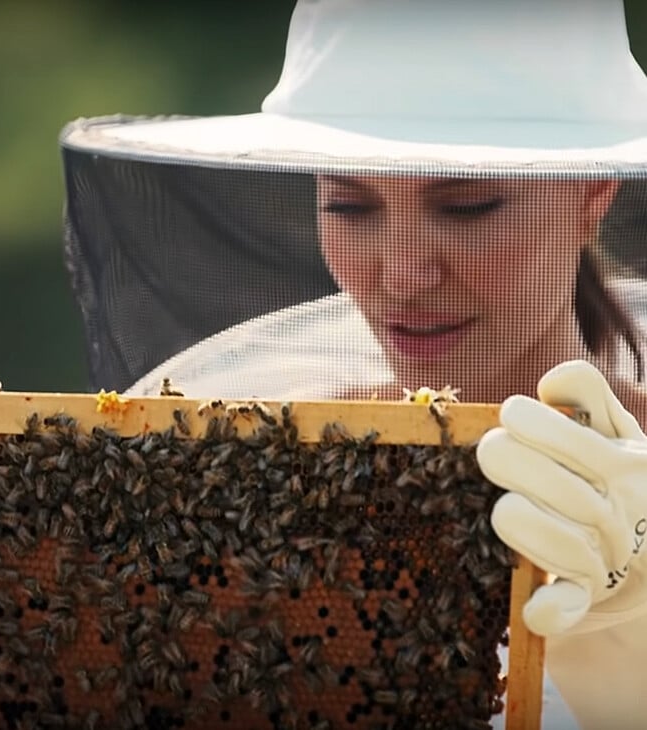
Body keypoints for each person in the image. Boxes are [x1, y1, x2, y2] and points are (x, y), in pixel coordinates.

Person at [64, 0, 647, 727]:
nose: (401, 275)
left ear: (593, 193)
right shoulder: (268, 453)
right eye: (348, 205)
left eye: (466, 206)